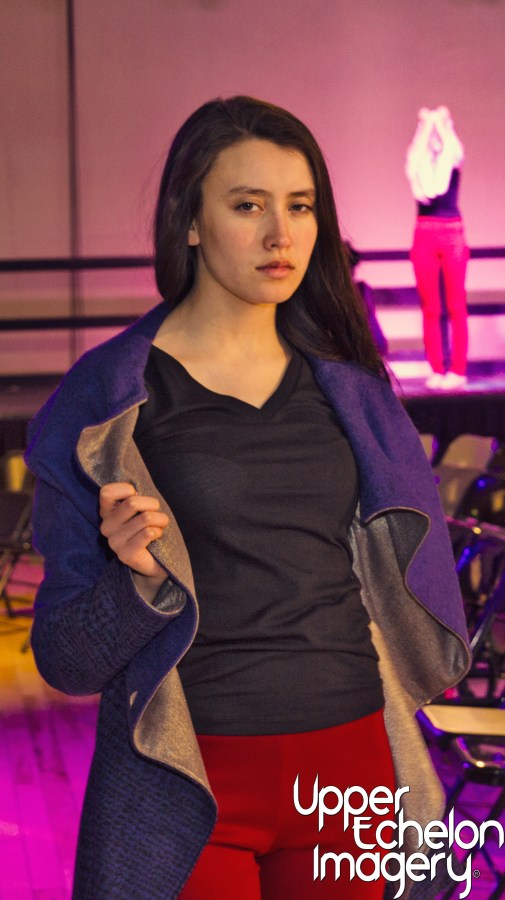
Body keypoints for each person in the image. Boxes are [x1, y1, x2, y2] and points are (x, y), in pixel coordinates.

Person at [25, 96, 470, 900]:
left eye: (299, 206)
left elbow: (410, 602)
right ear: (189, 222)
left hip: (349, 779)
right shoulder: (105, 402)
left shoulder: (354, 392)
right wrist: (135, 582)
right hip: (188, 787)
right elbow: (66, 658)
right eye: (247, 205)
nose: (280, 235)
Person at [406, 106, 469, 391]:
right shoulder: (418, 164)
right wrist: (424, 124)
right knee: (430, 307)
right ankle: (436, 368)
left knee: (456, 305)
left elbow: (454, 148)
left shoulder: (452, 157)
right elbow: (414, 154)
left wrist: (442, 122)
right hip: (424, 233)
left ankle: (458, 370)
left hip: (452, 233)